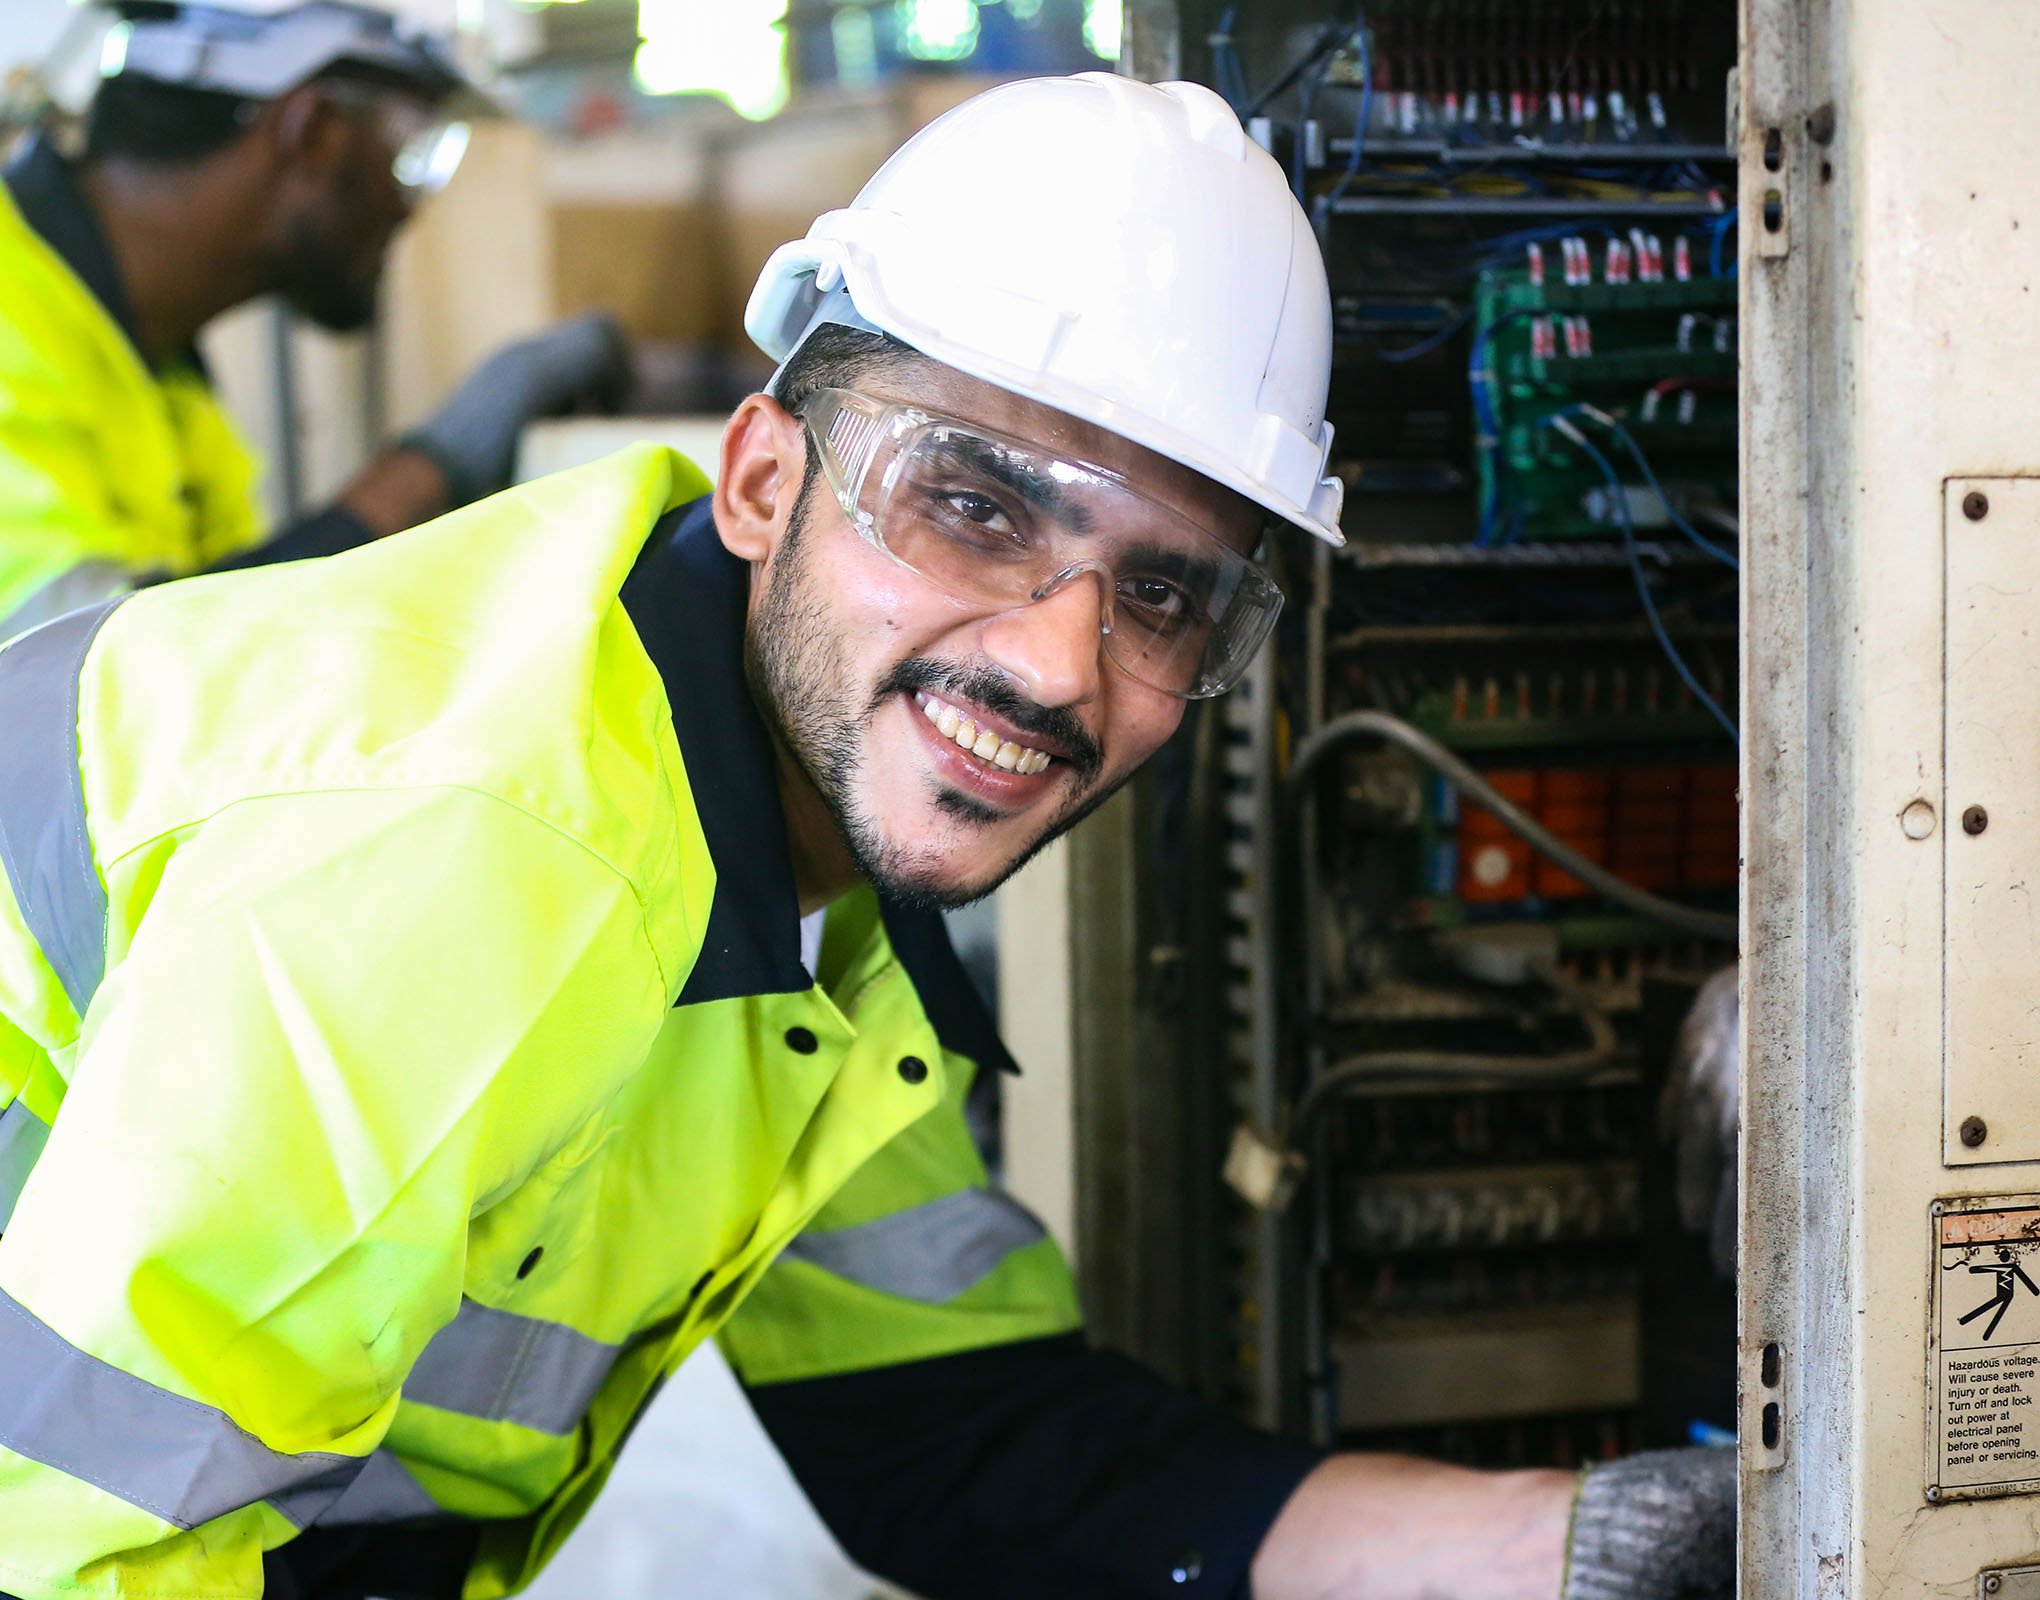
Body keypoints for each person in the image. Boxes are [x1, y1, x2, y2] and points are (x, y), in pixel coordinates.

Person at [0, 72, 1731, 1600]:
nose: (1060, 662)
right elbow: (74, 1535)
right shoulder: (473, 845)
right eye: (972, 505)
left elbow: (951, 1438)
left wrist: (1565, 1550)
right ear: (762, 482)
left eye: (1163, 594)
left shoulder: (814, 904)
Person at [0, 0, 628, 641]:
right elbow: (78, 672)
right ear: (314, 131)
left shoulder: (155, 362)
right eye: (415, 152)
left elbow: (235, 630)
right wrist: (434, 467)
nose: (410, 207)